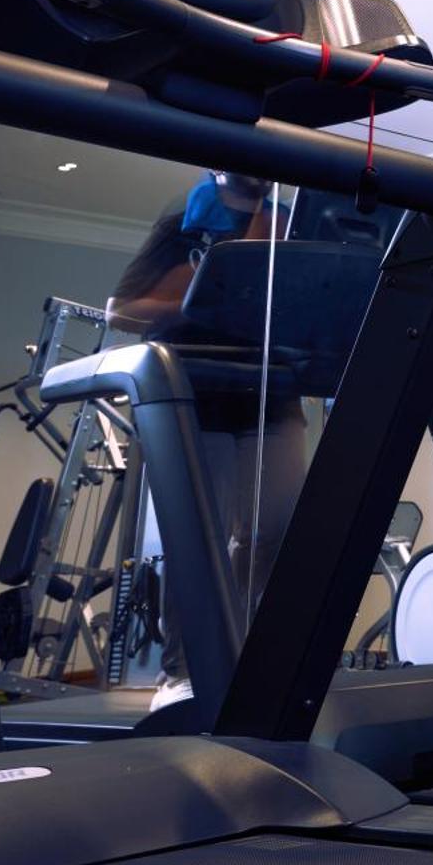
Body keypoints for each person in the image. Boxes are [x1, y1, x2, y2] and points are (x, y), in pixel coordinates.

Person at [108, 170, 309, 710]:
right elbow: (122, 310)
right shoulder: (183, 227)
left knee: (274, 535)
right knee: (202, 540)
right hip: (199, 398)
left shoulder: (293, 224)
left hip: (271, 397)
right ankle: (182, 670)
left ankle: (251, 660)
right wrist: (199, 302)